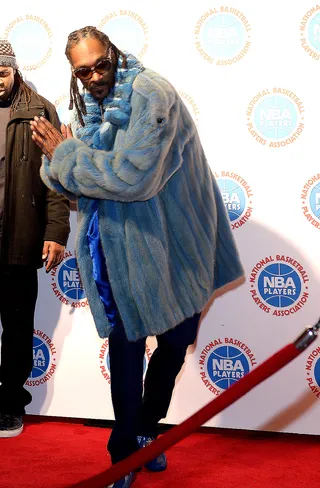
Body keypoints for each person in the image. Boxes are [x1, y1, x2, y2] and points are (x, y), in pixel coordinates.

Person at [30, 26, 244, 488]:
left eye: (100, 65)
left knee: (173, 344)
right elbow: (72, 181)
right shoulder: (86, 102)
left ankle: (149, 427)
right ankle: (123, 453)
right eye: (81, 71)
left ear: (114, 53)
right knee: (126, 351)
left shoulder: (152, 93)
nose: (93, 78)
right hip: (118, 245)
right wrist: (57, 160)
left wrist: (64, 154)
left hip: (179, 244)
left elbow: (133, 176)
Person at [0, 39, 70, 438]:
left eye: (2, 72)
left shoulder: (38, 110)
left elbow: (56, 178)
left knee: (16, 327)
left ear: (14, 69)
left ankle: (10, 405)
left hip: (20, 240)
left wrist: (56, 230)